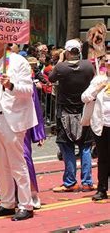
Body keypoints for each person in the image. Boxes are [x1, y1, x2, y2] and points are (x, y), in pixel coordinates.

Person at [0, 41, 37, 221]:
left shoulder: (18, 61)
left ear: (4, 41)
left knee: (17, 163)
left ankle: (26, 205)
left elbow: (29, 90)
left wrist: (12, 86)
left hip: (12, 119)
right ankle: (7, 203)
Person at [48, 40, 96, 193]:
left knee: (67, 146)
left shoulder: (61, 67)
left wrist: (61, 60)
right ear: (79, 51)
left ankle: (70, 182)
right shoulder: (88, 66)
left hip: (65, 112)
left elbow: (51, 78)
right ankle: (87, 181)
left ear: (67, 52)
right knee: (86, 146)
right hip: (84, 110)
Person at [81, 53, 110, 201]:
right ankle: (102, 189)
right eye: (108, 63)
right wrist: (96, 89)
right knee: (103, 158)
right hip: (101, 124)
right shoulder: (99, 80)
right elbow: (84, 97)